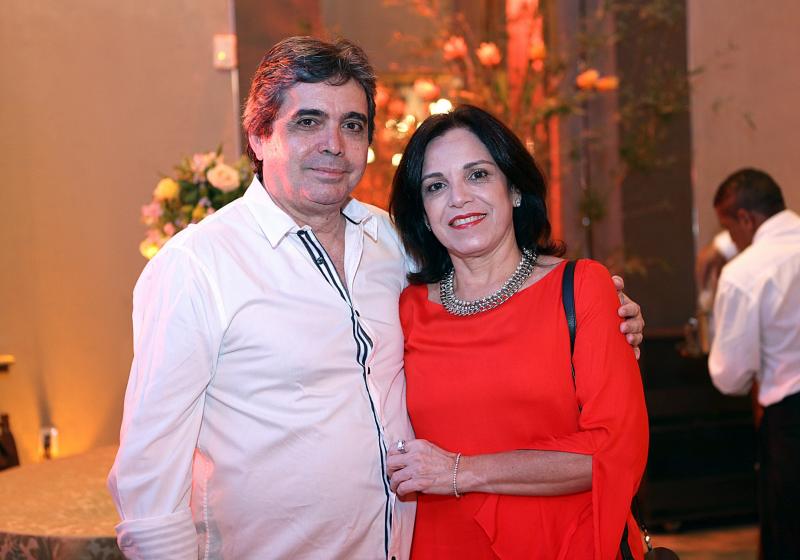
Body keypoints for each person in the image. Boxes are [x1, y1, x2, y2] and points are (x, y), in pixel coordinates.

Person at [108, 37, 644, 559]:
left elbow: (496, 297)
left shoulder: (394, 245)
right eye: (308, 121)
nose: (333, 144)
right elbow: (149, 473)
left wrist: (606, 317)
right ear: (259, 136)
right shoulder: (197, 267)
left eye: (352, 124)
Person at [387, 105, 649, 559]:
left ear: (514, 190)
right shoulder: (407, 310)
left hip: (567, 544)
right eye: (436, 186)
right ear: (423, 214)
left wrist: (460, 471)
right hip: (444, 545)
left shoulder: (582, 288)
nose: (458, 198)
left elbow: (614, 451)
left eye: (478, 175)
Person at [707, 168, 800, 559]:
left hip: (791, 420)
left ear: (745, 218)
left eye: (728, 229)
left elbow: (729, 374)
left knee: (789, 536)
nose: (731, 240)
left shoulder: (745, 273)